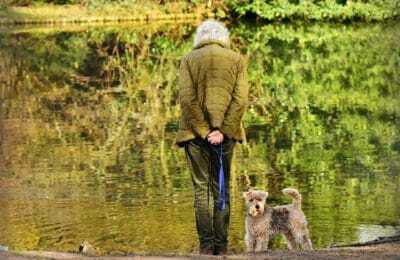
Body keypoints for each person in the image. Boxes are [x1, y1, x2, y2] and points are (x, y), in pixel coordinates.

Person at [176, 20, 249, 255]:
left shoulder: (188, 59)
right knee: (222, 188)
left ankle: (206, 247)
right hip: (225, 136)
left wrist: (204, 130)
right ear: (222, 37)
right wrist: (222, 131)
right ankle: (222, 246)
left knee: (201, 190)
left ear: (201, 38)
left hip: (194, 135)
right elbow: (240, 100)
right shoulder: (237, 59)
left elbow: (187, 99)